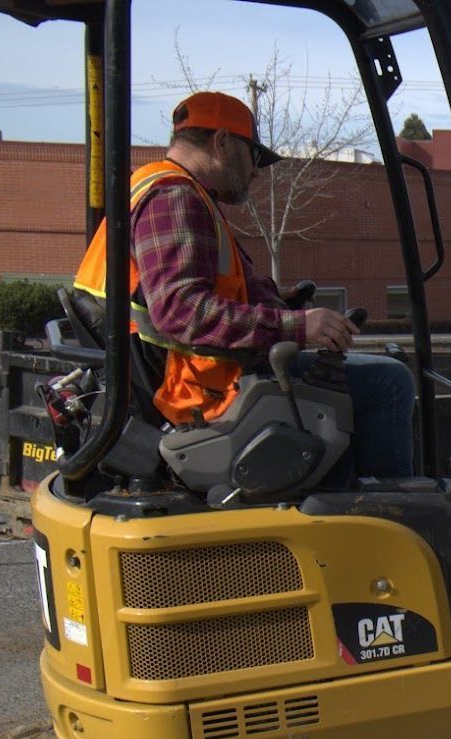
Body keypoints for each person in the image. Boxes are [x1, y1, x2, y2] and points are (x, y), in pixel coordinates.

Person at [73, 90, 414, 478]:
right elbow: (180, 311)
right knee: (390, 381)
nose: (255, 171)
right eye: (253, 156)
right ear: (222, 142)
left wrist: (277, 303)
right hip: (194, 393)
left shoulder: (167, 190)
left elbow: (197, 292)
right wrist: (298, 326)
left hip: (196, 375)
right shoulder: (175, 199)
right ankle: (394, 513)